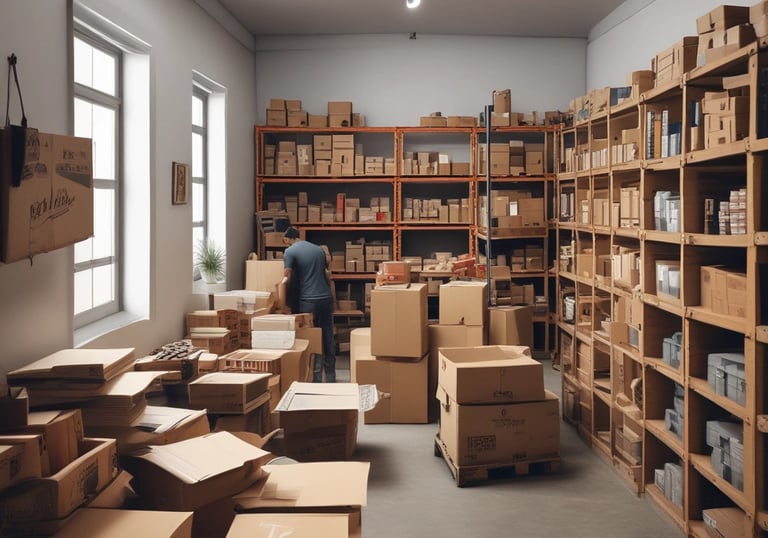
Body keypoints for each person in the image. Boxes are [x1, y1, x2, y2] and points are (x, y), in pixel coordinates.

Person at [280, 226, 336, 382]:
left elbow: (287, 276)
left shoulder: (290, 252)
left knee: (311, 338)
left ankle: (315, 378)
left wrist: (282, 298)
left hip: (308, 300)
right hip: (325, 298)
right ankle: (331, 377)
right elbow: (324, 273)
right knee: (327, 336)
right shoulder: (318, 249)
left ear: (287, 239)